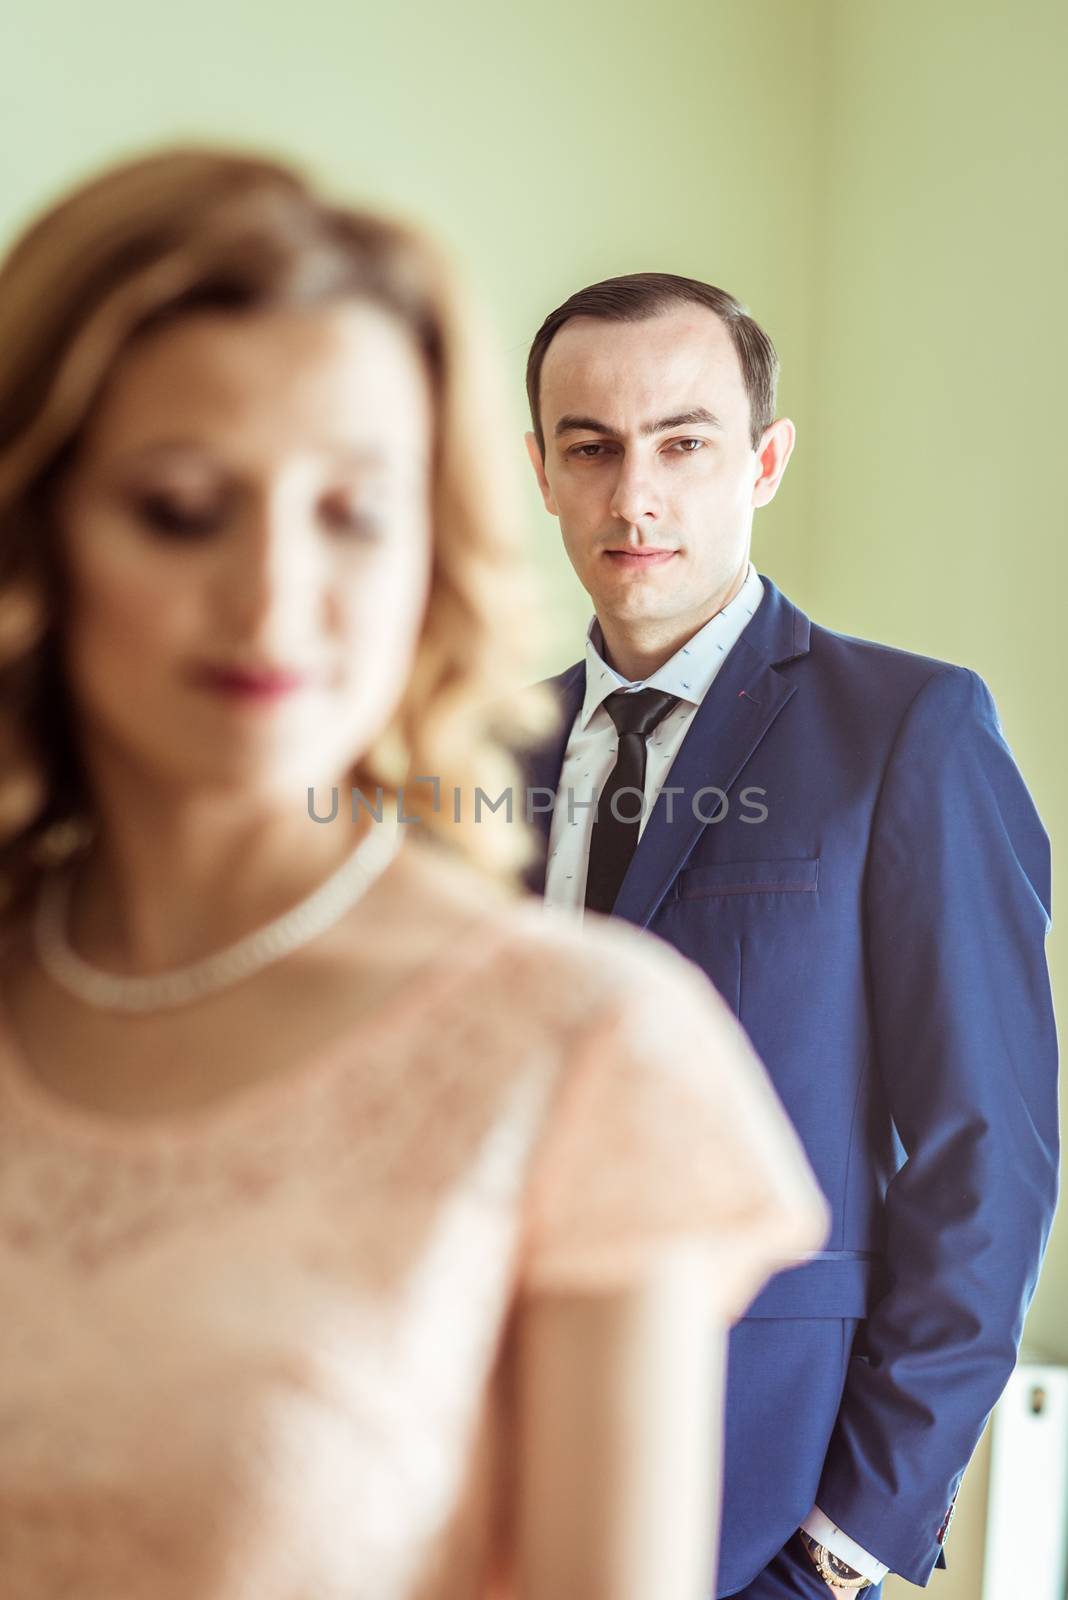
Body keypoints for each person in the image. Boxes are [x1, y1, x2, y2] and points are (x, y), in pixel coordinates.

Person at [0, 154, 827, 1600]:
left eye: (354, 512)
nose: (273, 598)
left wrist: (854, 1540)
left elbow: (981, 1155)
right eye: (186, 509)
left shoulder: (583, 1040)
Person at [520, 272, 1060, 1598]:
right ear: (540, 471)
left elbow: (987, 1158)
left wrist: (849, 1543)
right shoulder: (479, 756)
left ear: (764, 461)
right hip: (496, 1495)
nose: (633, 493)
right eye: (590, 447)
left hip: (766, 1511)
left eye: (683, 443)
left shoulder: (907, 733)